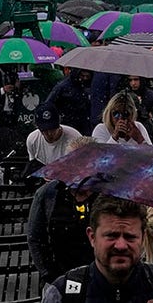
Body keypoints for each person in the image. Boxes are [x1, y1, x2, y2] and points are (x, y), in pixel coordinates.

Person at [26, 137, 97, 285]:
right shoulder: (48, 194)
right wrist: (50, 276)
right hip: (59, 275)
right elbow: (35, 238)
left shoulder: (106, 194)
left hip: (100, 276)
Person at [24, 102, 81, 172]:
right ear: (37, 127)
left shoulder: (75, 138)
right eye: (45, 130)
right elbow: (33, 165)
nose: (50, 133)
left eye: (53, 129)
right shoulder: (32, 140)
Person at [42, 67, 93, 135]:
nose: (85, 78)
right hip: (68, 123)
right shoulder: (63, 87)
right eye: (82, 76)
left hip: (83, 124)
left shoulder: (87, 85)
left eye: (87, 76)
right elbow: (49, 104)